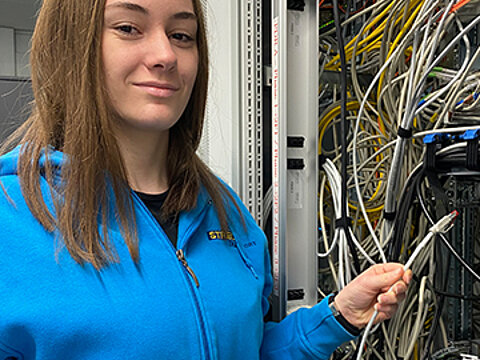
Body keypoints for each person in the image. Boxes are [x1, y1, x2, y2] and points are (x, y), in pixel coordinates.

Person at [0, 0, 411, 359]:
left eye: (182, 35)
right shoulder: (12, 218)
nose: (165, 54)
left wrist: (335, 317)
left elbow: (243, 348)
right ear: (70, 44)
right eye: (128, 28)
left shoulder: (225, 212)